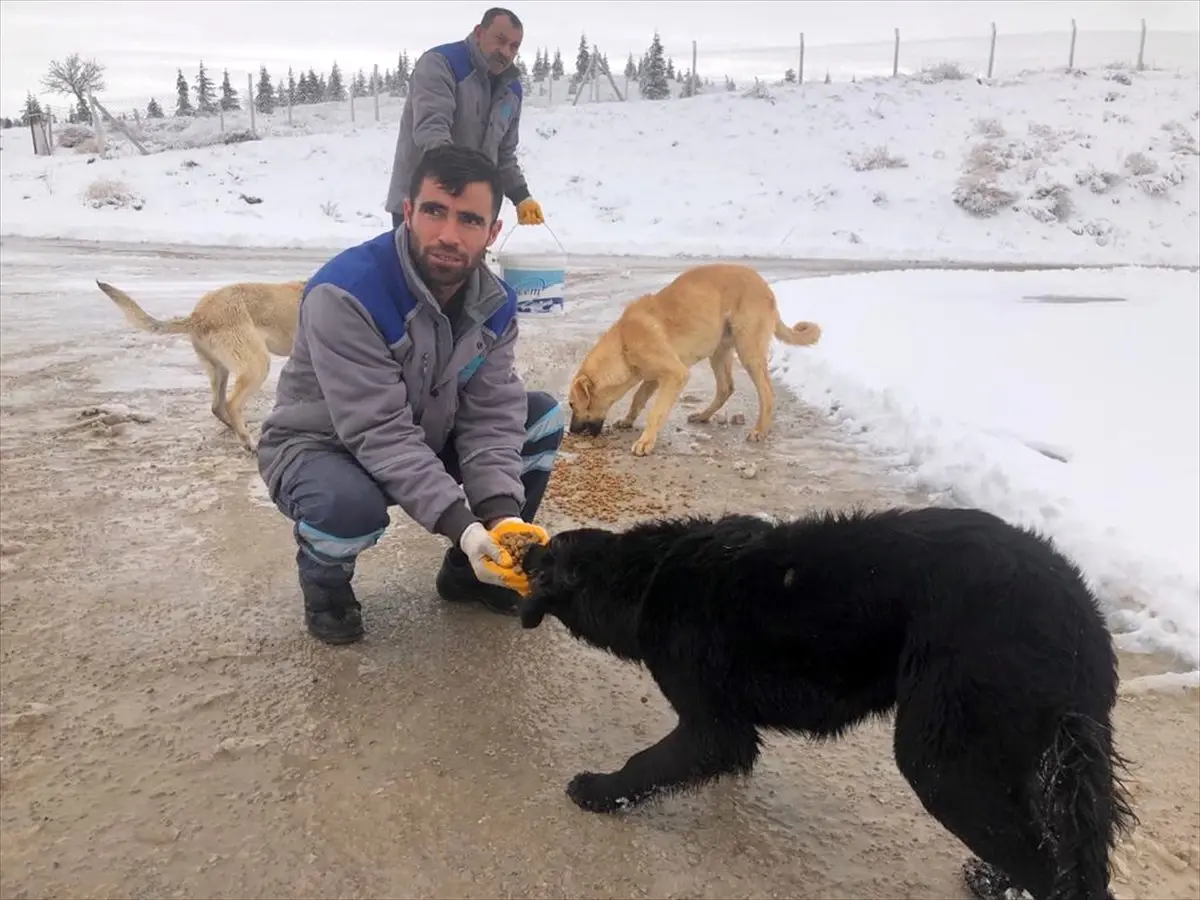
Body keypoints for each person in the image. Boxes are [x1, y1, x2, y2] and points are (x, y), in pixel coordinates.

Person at [257, 144, 565, 645]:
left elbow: (491, 416)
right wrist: (462, 526)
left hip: (423, 434)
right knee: (345, 505)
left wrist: (500, 517)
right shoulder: (348, 292)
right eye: (434, 211)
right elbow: (379, 431)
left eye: (468, 220)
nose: (448, 234)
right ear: (408, 211)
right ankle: (326, 586)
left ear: (492, 233)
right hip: (323, 448)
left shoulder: (496, 304)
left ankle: (471, 574)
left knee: (540, 417)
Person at [385, 7, 545, 232]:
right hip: (425, 208)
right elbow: (432, 135)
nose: (506, 52)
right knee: (412, 268)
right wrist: (467, 187)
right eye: (500, 40)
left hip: (473, 215)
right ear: (479, 32)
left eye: (514, 46)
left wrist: (522, 196)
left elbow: (504, 155)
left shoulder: (512, 91)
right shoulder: (441, 64)